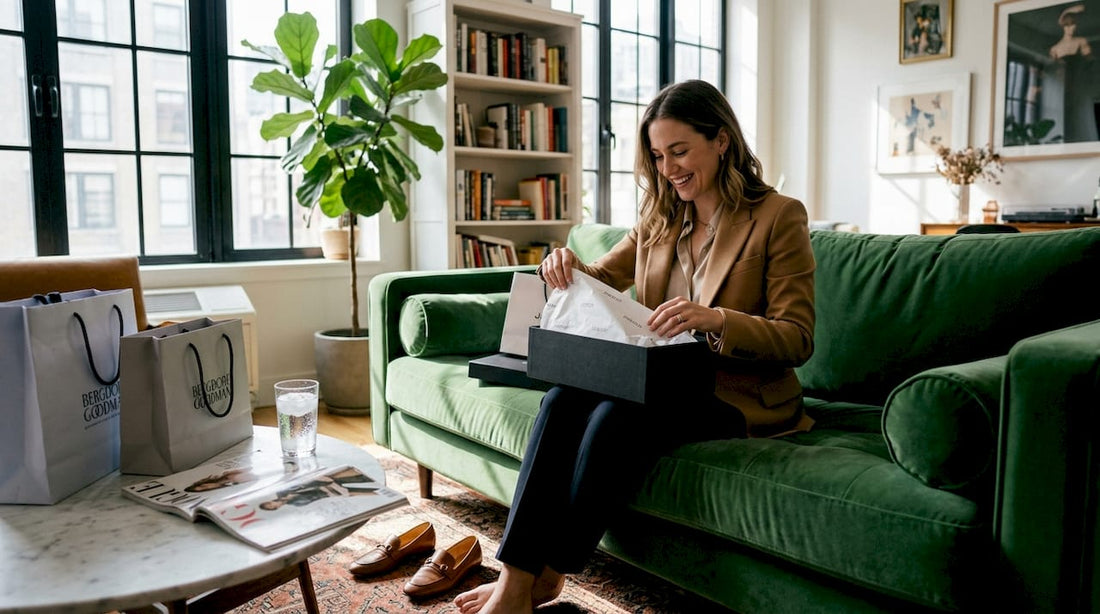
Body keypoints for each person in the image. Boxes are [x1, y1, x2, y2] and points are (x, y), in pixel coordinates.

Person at [453, 79, 816, 614]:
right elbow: (601, 277)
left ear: (721, 140)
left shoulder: (778, 216)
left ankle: (551, 574)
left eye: (679, 151)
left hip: (732, 396)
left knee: (614, 419)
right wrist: (565, 268)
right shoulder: (660, 216)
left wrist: (717, 319)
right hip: (653, 380)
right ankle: (516, 579)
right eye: (657, 155)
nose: (668, 168)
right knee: (559, 401)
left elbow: (797, 335)